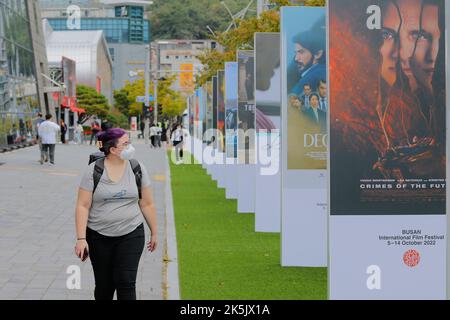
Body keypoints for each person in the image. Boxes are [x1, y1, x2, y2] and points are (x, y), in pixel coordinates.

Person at [75, 128, 158, 300]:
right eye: (125, 144)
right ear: (112, 149)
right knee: (104, 285)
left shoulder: (137, 168)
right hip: (98, 236)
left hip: (131, 233)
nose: (130, 147)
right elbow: (82, 206)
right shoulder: (93, 171)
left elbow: (147, 203)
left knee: (126, 282)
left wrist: (155, 232)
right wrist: (81, 239)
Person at [290, 19, 327, 97]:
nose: (296, 58)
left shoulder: (311, 77)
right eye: (296, 53)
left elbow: (291, 102)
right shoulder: (322, 71)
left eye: (301, 52)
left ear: (318, 54)